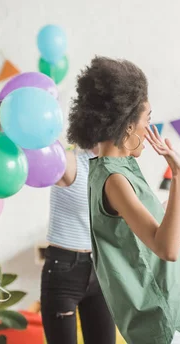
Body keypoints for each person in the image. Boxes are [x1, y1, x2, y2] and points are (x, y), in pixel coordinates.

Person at [66, 56, 180, 344]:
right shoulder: (115, 180)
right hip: (170, 323)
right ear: (126, 124)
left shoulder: (111, 170)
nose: (149, 130)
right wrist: (178, 173)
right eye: (147, 120)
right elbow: (168, 248)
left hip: (178, 319)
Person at [40, 145, 116, 344]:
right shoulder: (69, 161)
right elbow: (38, 144)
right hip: (64, 270)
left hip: (100, 270)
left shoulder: (114, 170)